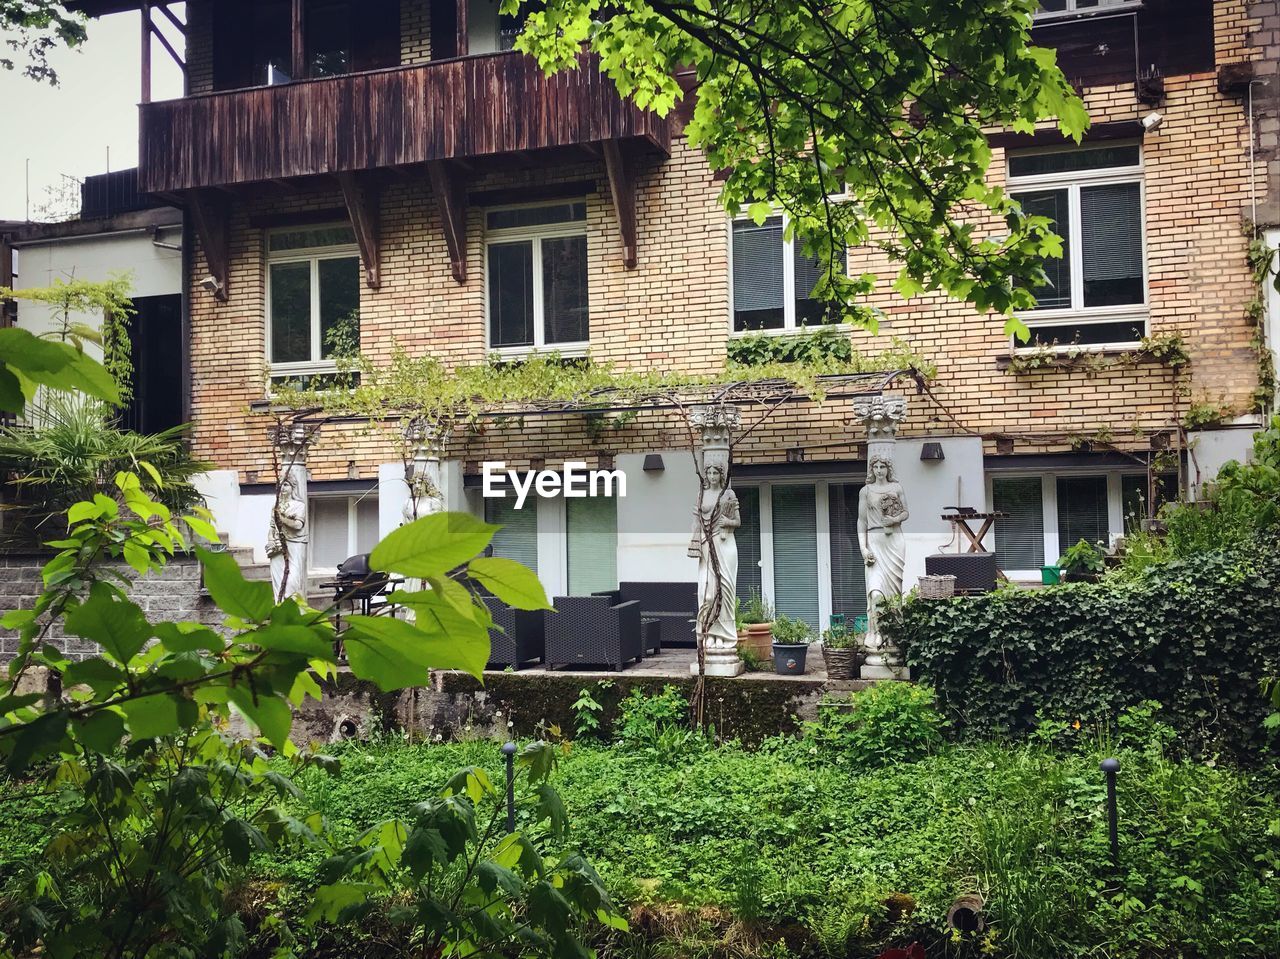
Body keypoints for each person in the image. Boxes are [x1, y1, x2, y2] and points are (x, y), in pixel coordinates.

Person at [687, 463, 741, 652]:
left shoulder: (728, 495)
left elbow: (737, 521)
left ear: (721, 474)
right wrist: (695, 540)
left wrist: (729, 522)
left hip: (725, 543)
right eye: (708, 473)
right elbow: (696, 521)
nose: (711, 476)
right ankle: (708, 632)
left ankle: (723, 636)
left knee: (725, 589)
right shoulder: (701, 495)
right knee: (707, 592)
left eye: (715, 473)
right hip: (706, 543)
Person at [857, 455, 909, 648]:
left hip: (894, 541)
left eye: (883, 467)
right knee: (876, 593)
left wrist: (894, 520)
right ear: (872, 470)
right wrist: (863, 548)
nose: (879, 470)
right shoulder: (866, 491)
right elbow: (861, 521)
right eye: (876, 467)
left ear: (888, 469)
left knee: (894, 595)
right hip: (874, 544)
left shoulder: (896, 488)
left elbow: (905, 512)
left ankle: (893, 636)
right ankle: (876, 632)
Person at [267, 473, 308, 603]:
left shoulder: (299, 505)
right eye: (281, 485)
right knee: (279, 585)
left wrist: (282, 519)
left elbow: (298, 525)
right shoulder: (276, 506)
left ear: (292, 487)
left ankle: (294, 612)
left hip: (294, 544)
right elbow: (272, 528)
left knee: (292, 583)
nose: (283, 488)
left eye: (286, 484)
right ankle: (280, 611)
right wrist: (271, 541)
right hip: (278, 547)